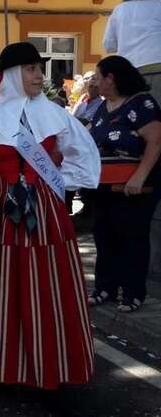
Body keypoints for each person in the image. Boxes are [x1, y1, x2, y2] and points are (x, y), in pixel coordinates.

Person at [0, 42, 101, 389]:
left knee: (47, 283)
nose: (39, 75)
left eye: (39, 69)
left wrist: (56, 182)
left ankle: (48, 361)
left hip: (43, 213)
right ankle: (1, 362)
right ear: (12, 74)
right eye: (31, 69)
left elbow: (83, 155)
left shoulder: (54, 114)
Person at [87, 56, 161, 313]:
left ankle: (132, 292)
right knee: (103, 236)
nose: (94, 82)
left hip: (133, 187)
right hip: (103, 187)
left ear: (111, 78)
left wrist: (139, 177)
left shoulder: (141, 104)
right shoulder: (102, 106)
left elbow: (156, 142)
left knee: (131, 238)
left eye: (98, 77)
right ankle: (105, 287)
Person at [103, 0, 161, 104]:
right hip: (158, 66)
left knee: (135, 112)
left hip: (130, 71)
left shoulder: (120, 9)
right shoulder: (159, 6)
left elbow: (109, 45)